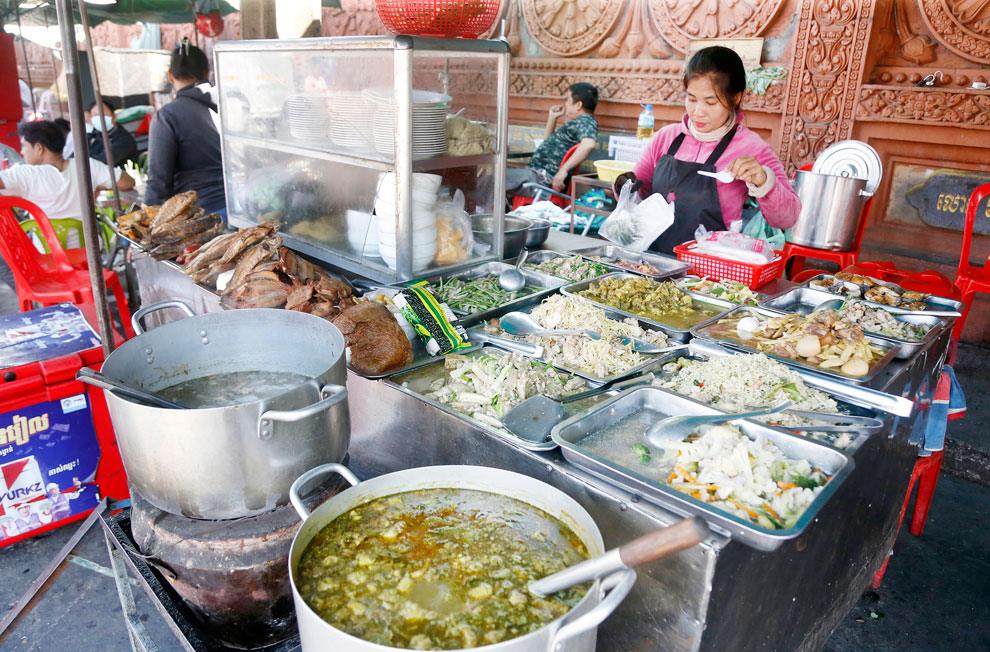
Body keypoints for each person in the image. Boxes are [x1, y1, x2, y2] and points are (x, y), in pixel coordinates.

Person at [613, 46, 800, 254]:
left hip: (708, 274)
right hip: (653, 262)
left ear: (735, 98)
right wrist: (625, 187)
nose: (698, 112)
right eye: (692, 99)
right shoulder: (667, 137)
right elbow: (640, 194)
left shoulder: (753, 147)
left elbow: (788, 217)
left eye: (710, 102)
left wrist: (765, 182)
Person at [145, 38, 226, 215]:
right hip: (240, 209)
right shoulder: (228, 105)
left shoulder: (167, 116)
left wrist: (148, 223)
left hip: (199, 216)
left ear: (170, 76)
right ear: (207, 73)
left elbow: (158, 181)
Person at [0, 120, 135, 223]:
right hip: (88, 251)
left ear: (39, 148)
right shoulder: (86, 165)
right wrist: (95, 185)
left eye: (24, 146)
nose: (21, 151)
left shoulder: (26, 174)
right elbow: (128, 182)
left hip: (47, 254)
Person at [506, 82, 599, 196]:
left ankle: (482, 210)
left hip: (541, 178)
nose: (565, 104)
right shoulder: (578, 122)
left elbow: (588, 144)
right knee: (496, 177)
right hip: (535, 174)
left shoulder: (587, 120)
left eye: (567, 100)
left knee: (493, 178)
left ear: (578, 105)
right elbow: (547, 142)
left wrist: (563, 170)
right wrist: (552, 118)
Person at [84, 99, 139, 168]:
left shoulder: (124, 139)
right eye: (95, 115)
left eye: (102, 114)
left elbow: (106, 160)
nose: (99, 118)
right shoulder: (92, 136)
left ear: (114, 117)